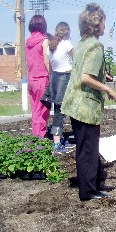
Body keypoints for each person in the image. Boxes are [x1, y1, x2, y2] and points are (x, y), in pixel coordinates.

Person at [62, 3, 116, 201]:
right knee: (87, 149)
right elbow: (85, 77)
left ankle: (96, 183)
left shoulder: (83, 43)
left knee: (89, 146)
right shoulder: (95, 45)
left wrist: (104, 76)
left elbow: (84, 70)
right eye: (103, 22)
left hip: (76, 103)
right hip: (85, 105)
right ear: (97, 24)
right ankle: (88, 192)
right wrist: (107, 88)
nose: (104, 25)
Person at [47, 22, 75, 153]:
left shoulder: (51, 46)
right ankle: (58, 144)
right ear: (67, 32)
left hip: (55, 79)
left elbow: (51, 66)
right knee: (66, 110)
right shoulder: (66, 44)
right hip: (66, 78)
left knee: (58, 111)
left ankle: (57, 141)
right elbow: (78, 59)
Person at [25, 15, 50, 138]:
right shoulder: (44, 40)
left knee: (35, 108)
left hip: (31, 78)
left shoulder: (28, 41)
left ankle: (35, 135)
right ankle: (40, 136)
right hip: (42, 77)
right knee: (43, 109)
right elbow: (46, 61)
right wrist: (51, 75)